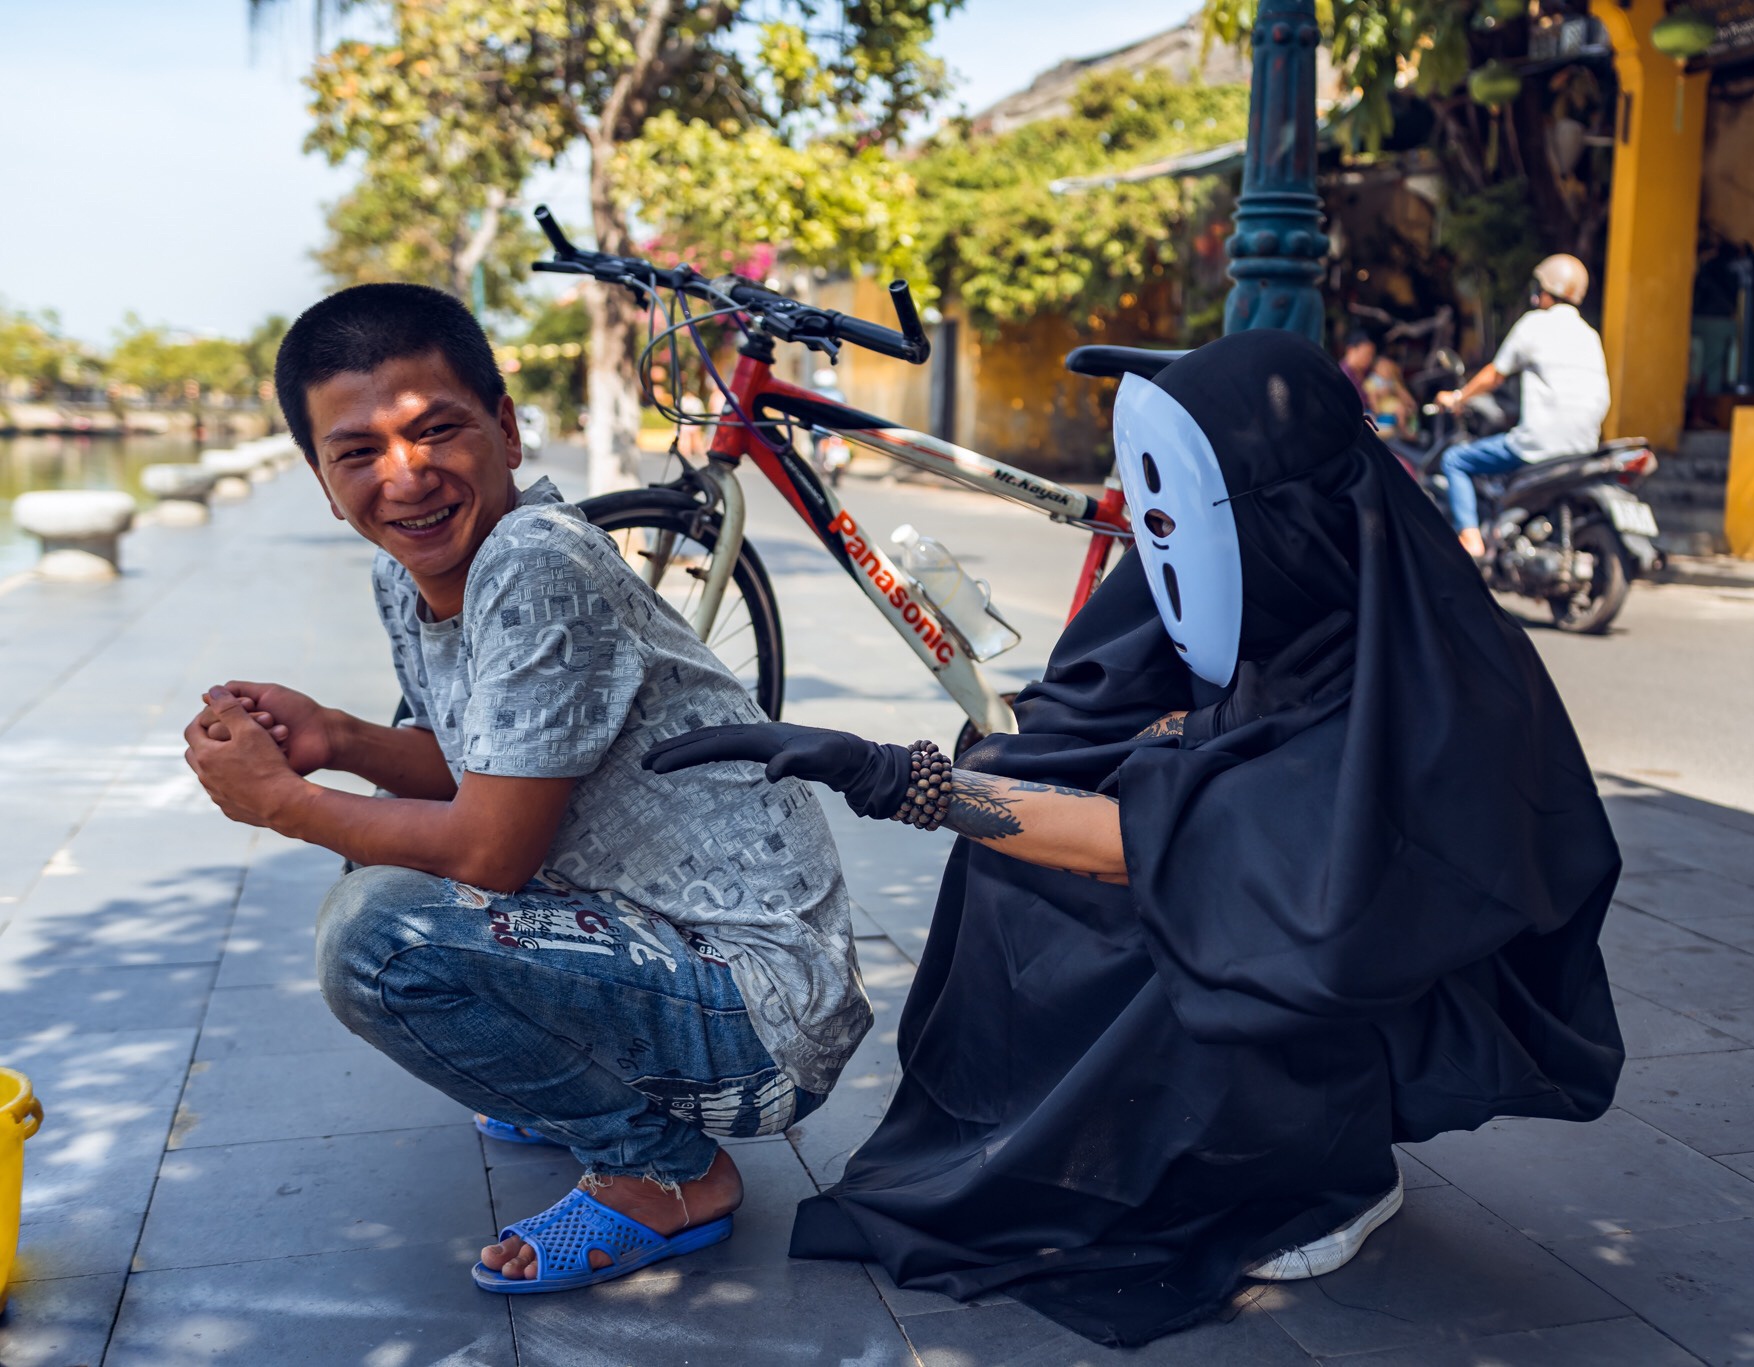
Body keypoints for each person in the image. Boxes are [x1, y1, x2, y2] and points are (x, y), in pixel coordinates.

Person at [643, 330, 1625, 1346]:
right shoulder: (1279, 571)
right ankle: (1051, 1138)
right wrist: (984, 775)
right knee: (1023, 842)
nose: (1155, 538)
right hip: (1264, 882)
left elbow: (1166, 848)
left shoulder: (1426, 681)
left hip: (1377, 970)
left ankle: (1328, 1172)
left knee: (1178, 922)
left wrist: (899, 780)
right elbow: (1086, 723)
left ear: (1270, 507)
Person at [179, 283, 871, 1295]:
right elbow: (475, 764)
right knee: (388, 851)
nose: (404, 477)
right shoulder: (412, 573)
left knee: (377, 931)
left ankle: (664, 1173)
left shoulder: (535, 563)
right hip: (662, 937)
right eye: (358, 452)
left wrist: (280, 801)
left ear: (504, 429)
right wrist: (337, 736)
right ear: (323, 480)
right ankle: (583, 1084)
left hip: (761, 1013)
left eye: (436, 431)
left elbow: (492, 847)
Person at [1435, 254, 1612, 556]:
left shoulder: (1534, 324)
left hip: (1539, 444)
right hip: (1584, 445)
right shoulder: (1590, 335)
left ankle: (1471, 539)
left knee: (1455, 460)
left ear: (1544, 291)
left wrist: (1457, 397)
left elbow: (1494, 374)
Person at [1337, 321, 1419, 438]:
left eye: (1371, 355)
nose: (1369, 359)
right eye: (1366, 354)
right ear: (1351, 350)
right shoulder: (1342, 374)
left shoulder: (1369, 371)